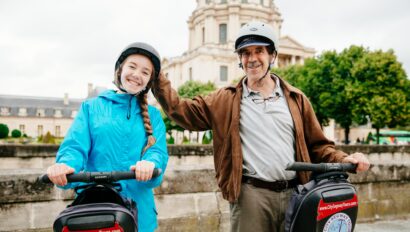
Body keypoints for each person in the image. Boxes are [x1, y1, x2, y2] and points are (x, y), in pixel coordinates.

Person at [152, 21, 370, 232]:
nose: (252, 58)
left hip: (297, 192)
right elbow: (179, 110)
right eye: (245, 53)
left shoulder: (296, 98)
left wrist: (344, 159)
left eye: (259, 51)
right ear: (239, 59)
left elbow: (319, 146)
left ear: (272, 56)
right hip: (250, 197)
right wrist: (156, 76)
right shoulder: (224, 99)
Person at [46, 42, 168, 232]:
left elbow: (157, 152)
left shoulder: (153, 116)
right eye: (132, 66)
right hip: (97, 211)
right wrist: (65, 165)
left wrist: (150, 164)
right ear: (120, 69)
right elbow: (74, 147)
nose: (137, 75)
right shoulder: (91, 107)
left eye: (145, 72)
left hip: (140, 215)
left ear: (149, 80)